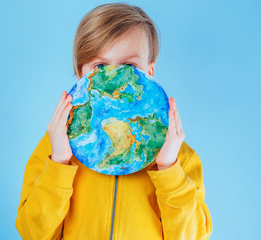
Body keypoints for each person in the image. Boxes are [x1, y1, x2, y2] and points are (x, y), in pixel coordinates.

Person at [15, 3, 213, 239]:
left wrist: (169, 168)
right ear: (81, 75)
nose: (115, 80)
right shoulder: (54, 150)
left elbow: (193, 236)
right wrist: (59, 163)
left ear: (150, 73)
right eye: (99, 66)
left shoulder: (179, 158)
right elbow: (33, 233)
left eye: (129, 66)